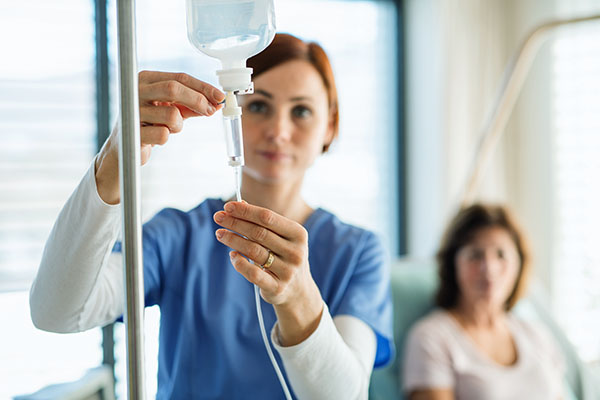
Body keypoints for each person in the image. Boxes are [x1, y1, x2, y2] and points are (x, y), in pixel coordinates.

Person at [29, 33, 393, 399]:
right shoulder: (179, 236)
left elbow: (347, 394)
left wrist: (298, 297)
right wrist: (114, 160)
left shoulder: (357, 252)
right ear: (231, 111)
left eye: (301, 111)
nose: (278, 132)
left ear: (329, 126)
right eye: (259, 106)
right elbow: (57, 311)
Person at [402, 204, 564, 400]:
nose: (489, 269)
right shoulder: (432, 338)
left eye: (501, 254)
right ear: (453, 264)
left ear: (519, 264)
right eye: (475, 255)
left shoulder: (537, 335)